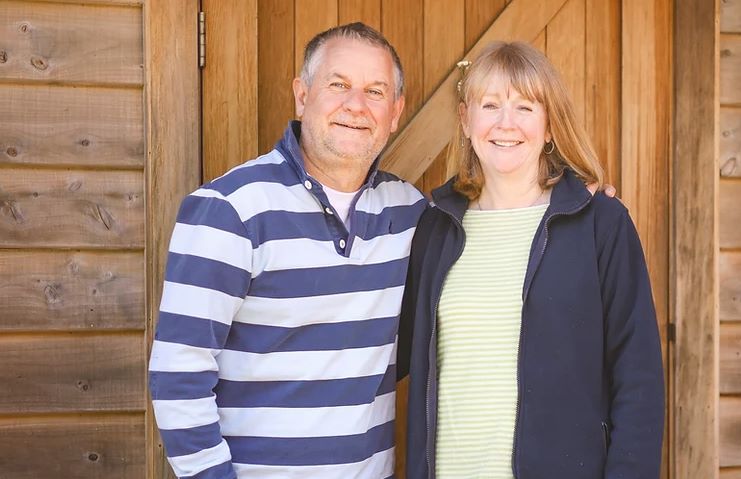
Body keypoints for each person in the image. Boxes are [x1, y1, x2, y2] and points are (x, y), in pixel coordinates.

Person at [148, 23, 427, 478]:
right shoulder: (231, 210)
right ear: (302, 95)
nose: (356, 105)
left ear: (395, 113)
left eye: (375, 92)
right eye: (338, 85)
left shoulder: (409, 212)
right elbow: (179, 374)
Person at [398, 41, 664, 478]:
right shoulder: (437, 227)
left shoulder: (600, 223)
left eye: (525, 107)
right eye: (490, 105)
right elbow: (390, 353)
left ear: (550, 126)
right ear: (466, 121)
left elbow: (638, 381)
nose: (506, 123)